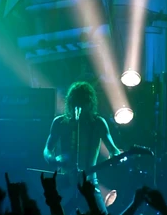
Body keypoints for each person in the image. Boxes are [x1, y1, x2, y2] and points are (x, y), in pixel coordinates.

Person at [43, 81, 121, 214]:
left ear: (89, 103)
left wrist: (114, 156)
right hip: (65, 181)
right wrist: (54, 159)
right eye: (74, 102)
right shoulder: (59, 122)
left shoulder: (98, 123)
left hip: (89, 182)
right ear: (69, 102)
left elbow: (114, 150)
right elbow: (47, 150)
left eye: (82, 102)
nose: (77, 107)